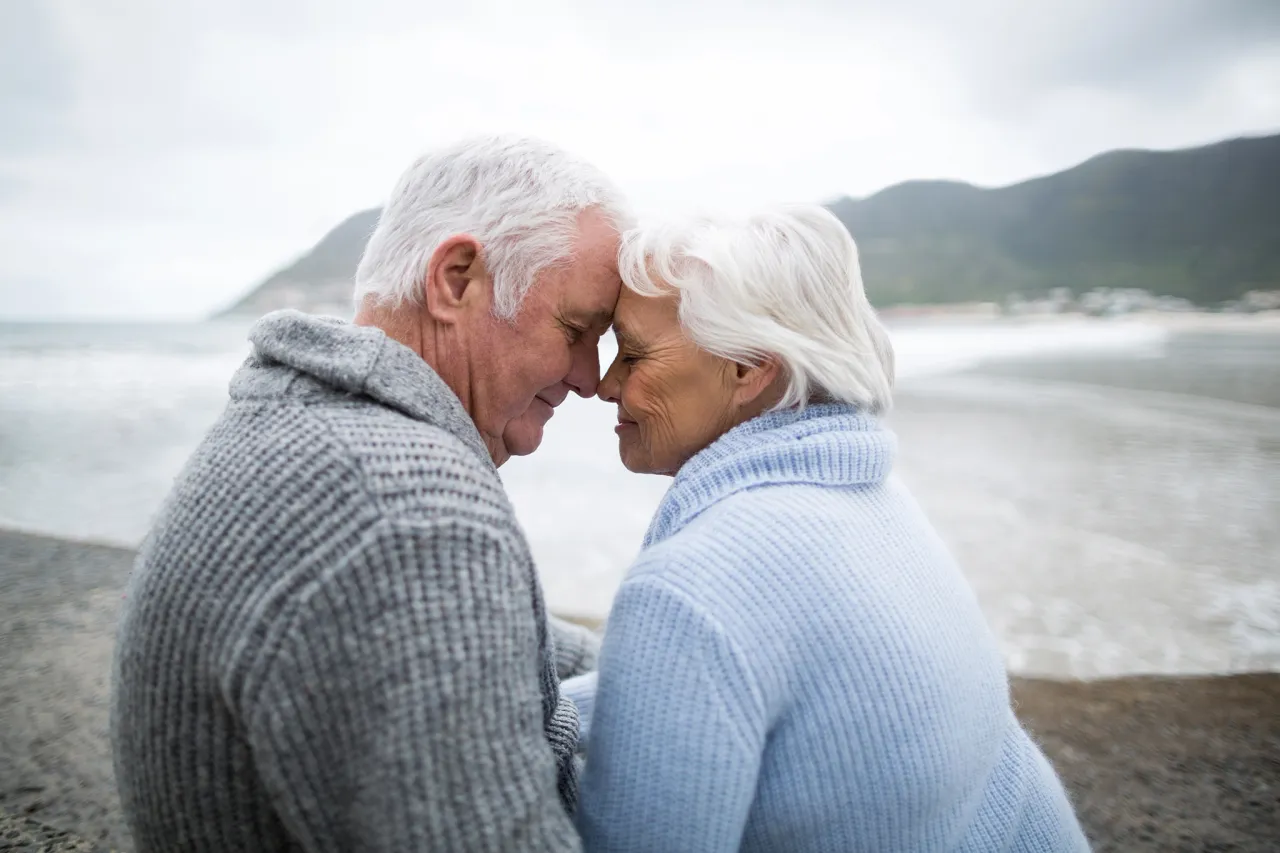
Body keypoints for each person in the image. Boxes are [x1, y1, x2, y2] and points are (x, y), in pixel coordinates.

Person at [111, 135, 627, 852]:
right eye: (576, 330)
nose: (589, 377)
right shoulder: (408, 513)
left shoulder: (299, 423)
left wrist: (673, 653)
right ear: (455, 278)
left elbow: (514, 640)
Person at [562, 205, 1090, 852]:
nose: (604, 383)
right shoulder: (875, 505)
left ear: (750, 369)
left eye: (634, 353)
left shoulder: (694, 589)